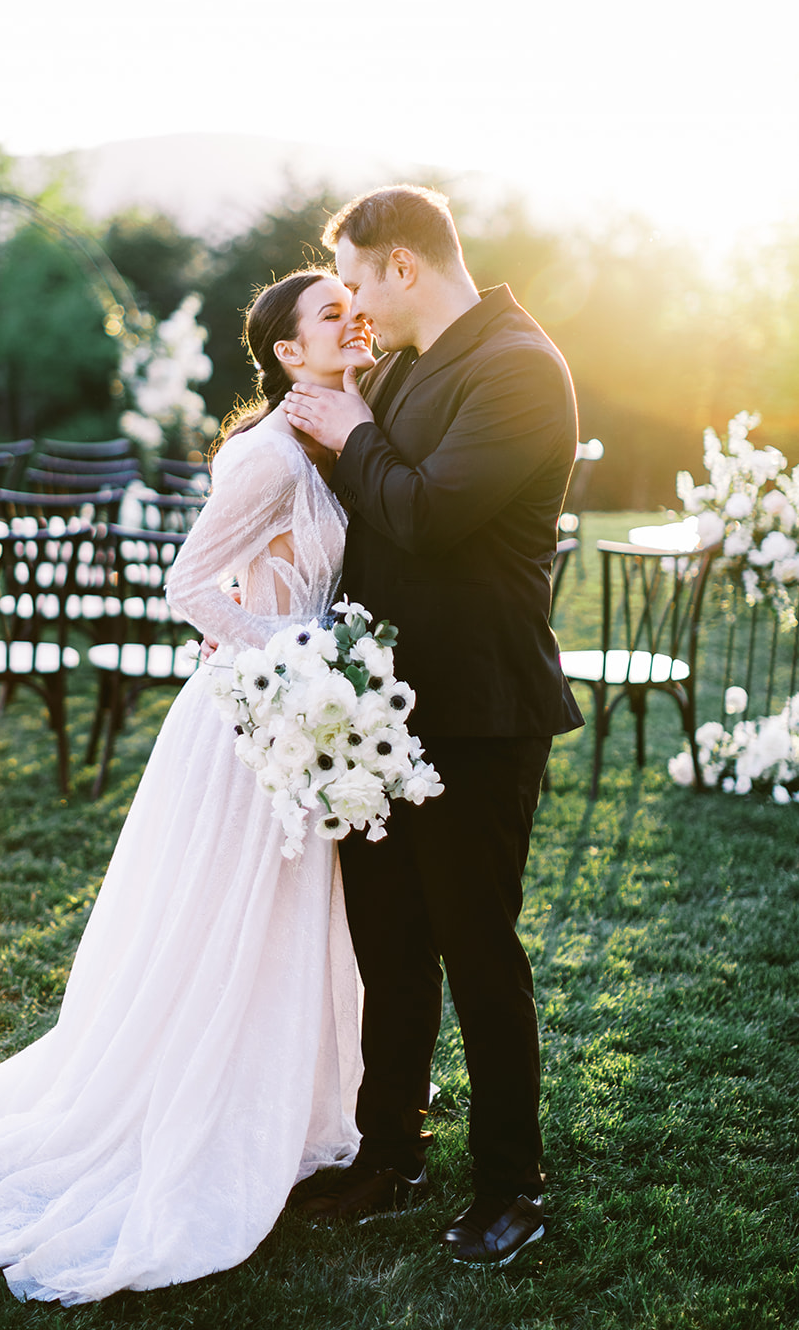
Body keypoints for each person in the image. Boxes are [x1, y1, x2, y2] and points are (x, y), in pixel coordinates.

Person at [0, 269, 376, 1304]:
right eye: (330, 311)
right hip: (253, 715)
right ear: (287, 353)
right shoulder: (265, 455)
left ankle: (278, 1109)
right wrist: (296, 656)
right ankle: (198, 1118)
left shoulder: (323, 438)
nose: (350, 316)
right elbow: (186, 585)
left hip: (289, 712)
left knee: (284, 924)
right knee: (227, 927)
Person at [282, 185, 583, 1268]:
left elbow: (421, 510)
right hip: (378, 708)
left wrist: (354, 430)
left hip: (480, 708)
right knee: (389, 942)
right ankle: (387, 1153)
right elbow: (367, 508)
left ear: (401, 266)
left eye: (357, 280)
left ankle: (511, 1182)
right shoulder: (402, 363)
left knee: (474, 946)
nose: (351, 303)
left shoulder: (517, 366)